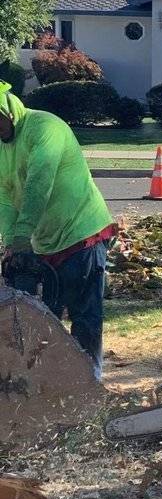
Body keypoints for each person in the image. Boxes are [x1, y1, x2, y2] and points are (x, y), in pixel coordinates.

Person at [0, 81, 115, 380]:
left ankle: (90, 382)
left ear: (7, 109)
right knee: (44, 318)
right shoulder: (2, 149)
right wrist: (12, 242)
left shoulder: (45, 128)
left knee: (85, 317)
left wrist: (24, 234)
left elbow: (40, 184)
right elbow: (5, 198)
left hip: (82, 233)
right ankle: (54, 383)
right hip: (47, 243)